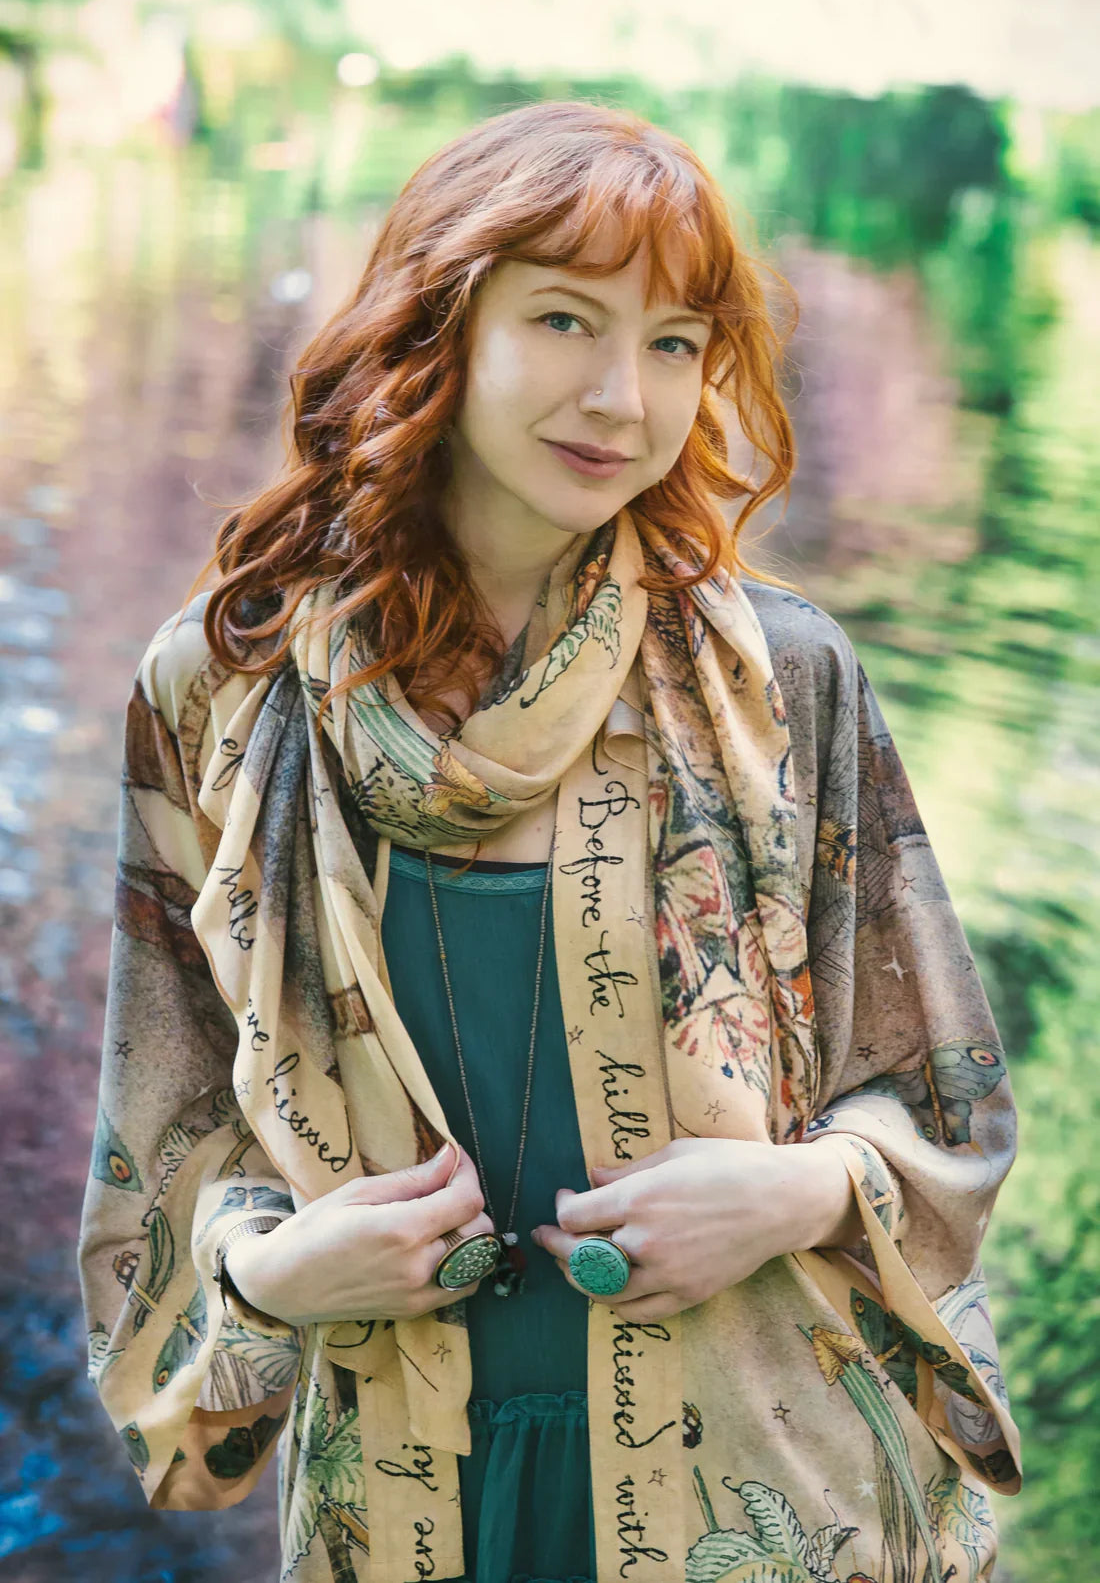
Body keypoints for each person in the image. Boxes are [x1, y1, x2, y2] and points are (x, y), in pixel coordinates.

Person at [77, 100, 1021, 1583]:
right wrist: (272, 1275)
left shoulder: (783, 677)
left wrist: (801, 1188)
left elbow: (946, 1096)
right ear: (435, 324)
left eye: (672, 342)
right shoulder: (224, 684)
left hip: (766, 1491)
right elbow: (168, 1131)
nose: (623, 400)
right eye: (567, 320)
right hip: (405, 1494)